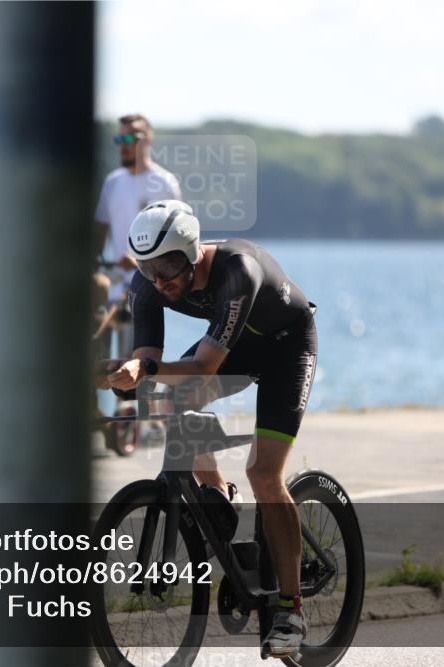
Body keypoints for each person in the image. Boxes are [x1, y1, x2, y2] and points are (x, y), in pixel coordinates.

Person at [101, 200, 317, 657]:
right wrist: (127, 370)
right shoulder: (149, 284)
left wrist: (148, 369)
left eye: (170, 266)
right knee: (176, 397)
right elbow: (148, 356)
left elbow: (201, 366)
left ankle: (291, 608)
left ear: (193, 251)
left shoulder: (237, 271)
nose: (161, 280)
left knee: (264, 474)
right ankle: (218, 494)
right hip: (237, 342)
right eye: (148, 268)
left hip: (288, 347)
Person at [94, 114, 182, 316]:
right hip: (114, 287)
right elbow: (100, 231)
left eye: (131, 138)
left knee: (135, 349)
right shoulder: (113, 182)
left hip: (151, 287)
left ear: (148, 140)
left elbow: (177, 241)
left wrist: (138, 261)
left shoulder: (165, 183)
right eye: (119, 139)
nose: (123, 145)